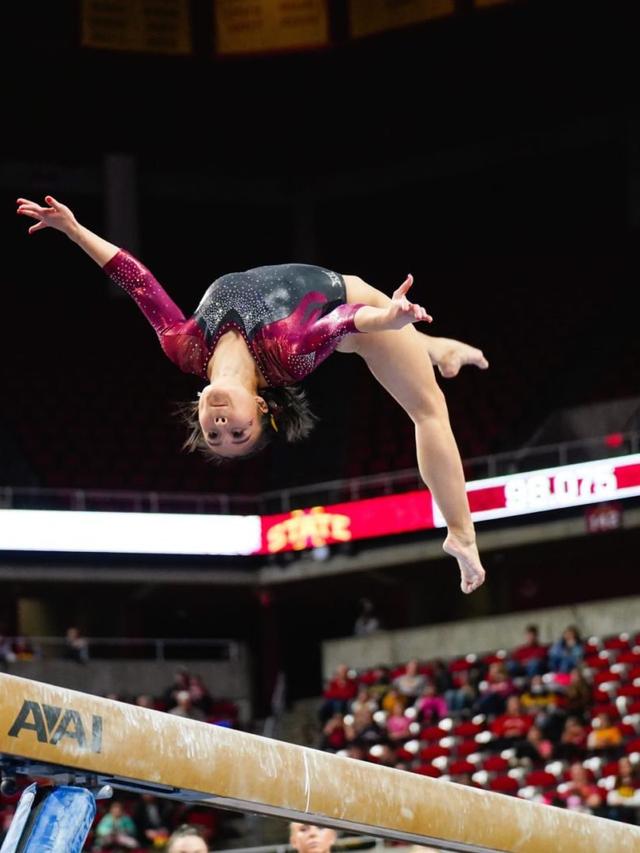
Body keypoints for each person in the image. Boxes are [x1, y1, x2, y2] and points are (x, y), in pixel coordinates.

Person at [16, 196, 488, 593]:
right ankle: (462, 536)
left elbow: (138, 282)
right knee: (428, 411)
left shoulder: (183, 347)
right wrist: (388, 319)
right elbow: (344, 319)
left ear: (199, 406)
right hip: (356, 307)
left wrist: (73, 229)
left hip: (354, 323)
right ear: (262, 407)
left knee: (411, 346)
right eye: (237, 431)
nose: (222, 426)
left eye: (214, 433)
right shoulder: (289, 352)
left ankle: (434, 349)